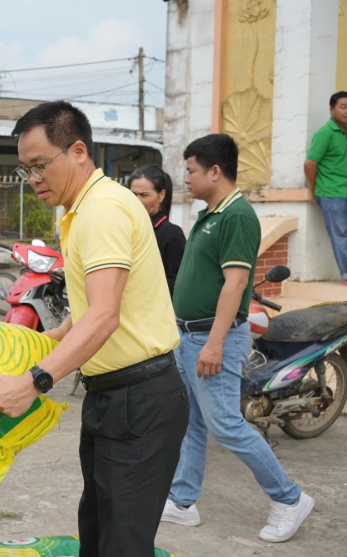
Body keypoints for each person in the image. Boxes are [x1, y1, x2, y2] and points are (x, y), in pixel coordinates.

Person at [0, 101, 188, 557]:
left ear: (77, 151)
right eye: (25, 169)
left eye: (39, 166)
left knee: (123, 544)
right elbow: (92, 307)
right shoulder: (81, 209)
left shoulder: (103, 210)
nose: (33, 179)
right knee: (97, 533)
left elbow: (105, 315)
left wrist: (34, 383)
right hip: (114, 397)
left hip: (141, 399)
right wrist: (43, 341)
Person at [165, 134, 313, 542]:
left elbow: (236, 284)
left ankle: (289, 498)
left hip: (214, 338)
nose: (187, 179)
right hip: (189, 336)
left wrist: (213, 342)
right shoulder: (210, 213)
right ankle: (182, 502)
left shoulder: (237, 216)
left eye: (192, 170)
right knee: (192, 421)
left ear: (215, 171)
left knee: (227, 425)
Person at [305, 91, 347, 285]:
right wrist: (315, 188)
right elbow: (310, 163)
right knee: (340, 234)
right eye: (343, 107)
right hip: (331, 193)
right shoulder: (325, 133)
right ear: (332, 110)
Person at [127, 165, 187, 296]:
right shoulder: (126, 229)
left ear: (161, 195)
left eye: (144, 195)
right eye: (133, 194)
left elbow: (178, 282)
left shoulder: (171, 234)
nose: (137, 200)